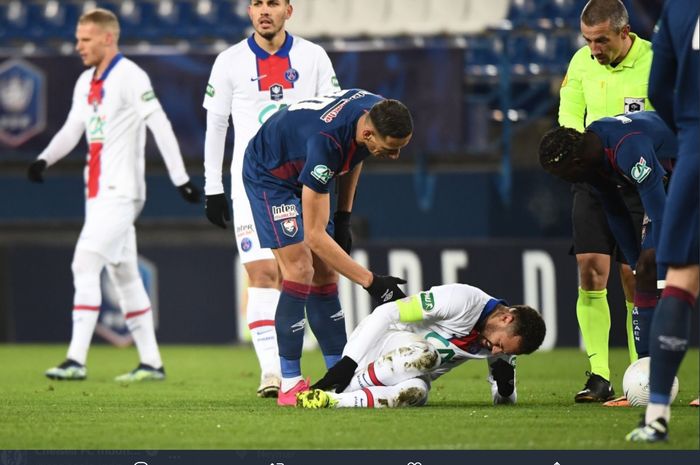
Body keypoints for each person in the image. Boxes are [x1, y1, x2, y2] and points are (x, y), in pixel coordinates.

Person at [27, 8, 201, 382]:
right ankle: (152, 363)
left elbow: (160, 123)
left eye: (85, 39)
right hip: (98, 194)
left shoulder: (130, 76)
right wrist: (44, 159)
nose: (78, 47)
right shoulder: (85, 82)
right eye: (78, 39)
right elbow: (73, 128)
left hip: (121, 191)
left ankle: (75, 359)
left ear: (108, 38)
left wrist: (180, 178)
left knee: (84, 263)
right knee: (124, 276)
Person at [202, 0, 341, 399]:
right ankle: (273, 373)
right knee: (263, 273)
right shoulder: (228, 62)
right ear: (249, 11)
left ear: (289, 10)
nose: (265, 10)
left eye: (273, 3)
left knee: (313, 271)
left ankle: (335, 363)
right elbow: (216, 125)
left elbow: (331, 115)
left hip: (305, 182)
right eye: (258, 3)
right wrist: (213, 186)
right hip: (252, 183)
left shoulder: (313, 57)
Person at [242, 88, 412, 405]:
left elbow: (353, 158)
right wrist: (373, 283)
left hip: (304, 163)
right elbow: (314, 236)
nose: (395, 156)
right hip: (271, 175)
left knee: (326, 275)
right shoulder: (327, 144)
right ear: (368, 132)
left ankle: (340, 375)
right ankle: (290, 383)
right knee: (301, 269)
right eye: (390, 149)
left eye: (401, 148)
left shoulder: (374, 112)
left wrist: (344, 216)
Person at [558, 0, 653, 404]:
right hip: (592, 181)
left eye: (602, 41)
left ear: (624, 34)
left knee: (634, 275)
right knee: (590, 272)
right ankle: (599, 374)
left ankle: (642, 371)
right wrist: (576, 155)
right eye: (588, 40)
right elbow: (568, 117)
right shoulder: (581, 62)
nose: (594, 49)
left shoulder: (653, 60)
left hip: (640, 181)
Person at [539, 111, 677, 351]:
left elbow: (661, 214)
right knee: (643, 272)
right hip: (668, 181)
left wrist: (662, 277)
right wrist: (635, 264)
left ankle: (650, 371)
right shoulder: (591, 157)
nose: (566, 182)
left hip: (684, 170)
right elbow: (615, 212)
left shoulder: (629, 150)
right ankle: (646, 374)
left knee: (651, 268)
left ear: (576, 163)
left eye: (562, 176)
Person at [626, 0, 699, 442]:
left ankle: (656, 417)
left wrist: (691, 131)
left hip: (694, 153)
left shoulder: (681, 8)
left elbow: (659, 87)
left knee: (681, 280)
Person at [295, 283, 546, 409]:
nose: (495, 352)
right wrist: (347, 363)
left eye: (504, 352)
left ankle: (331, 401)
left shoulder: (499, 346)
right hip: (379, 346)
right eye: (500, 345)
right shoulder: (461, 299)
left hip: (401, 372)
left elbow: (505, 403)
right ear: (506, 318)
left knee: (417, 392)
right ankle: (346, 385)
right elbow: (386, 313)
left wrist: (505, 388)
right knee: (428, 355)